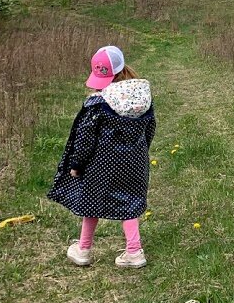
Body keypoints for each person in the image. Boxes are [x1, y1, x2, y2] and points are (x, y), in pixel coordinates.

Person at [48, 45, 156, 268]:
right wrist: (140, 153)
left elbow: (84, 138)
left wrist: (77, 163)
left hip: (100, 165)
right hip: (134, 163)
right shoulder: (143, 100)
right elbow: (150, 129)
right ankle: (134, 252)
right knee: (131, 201)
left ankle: (83, 249)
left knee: (91, 201)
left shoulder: (98, 104)